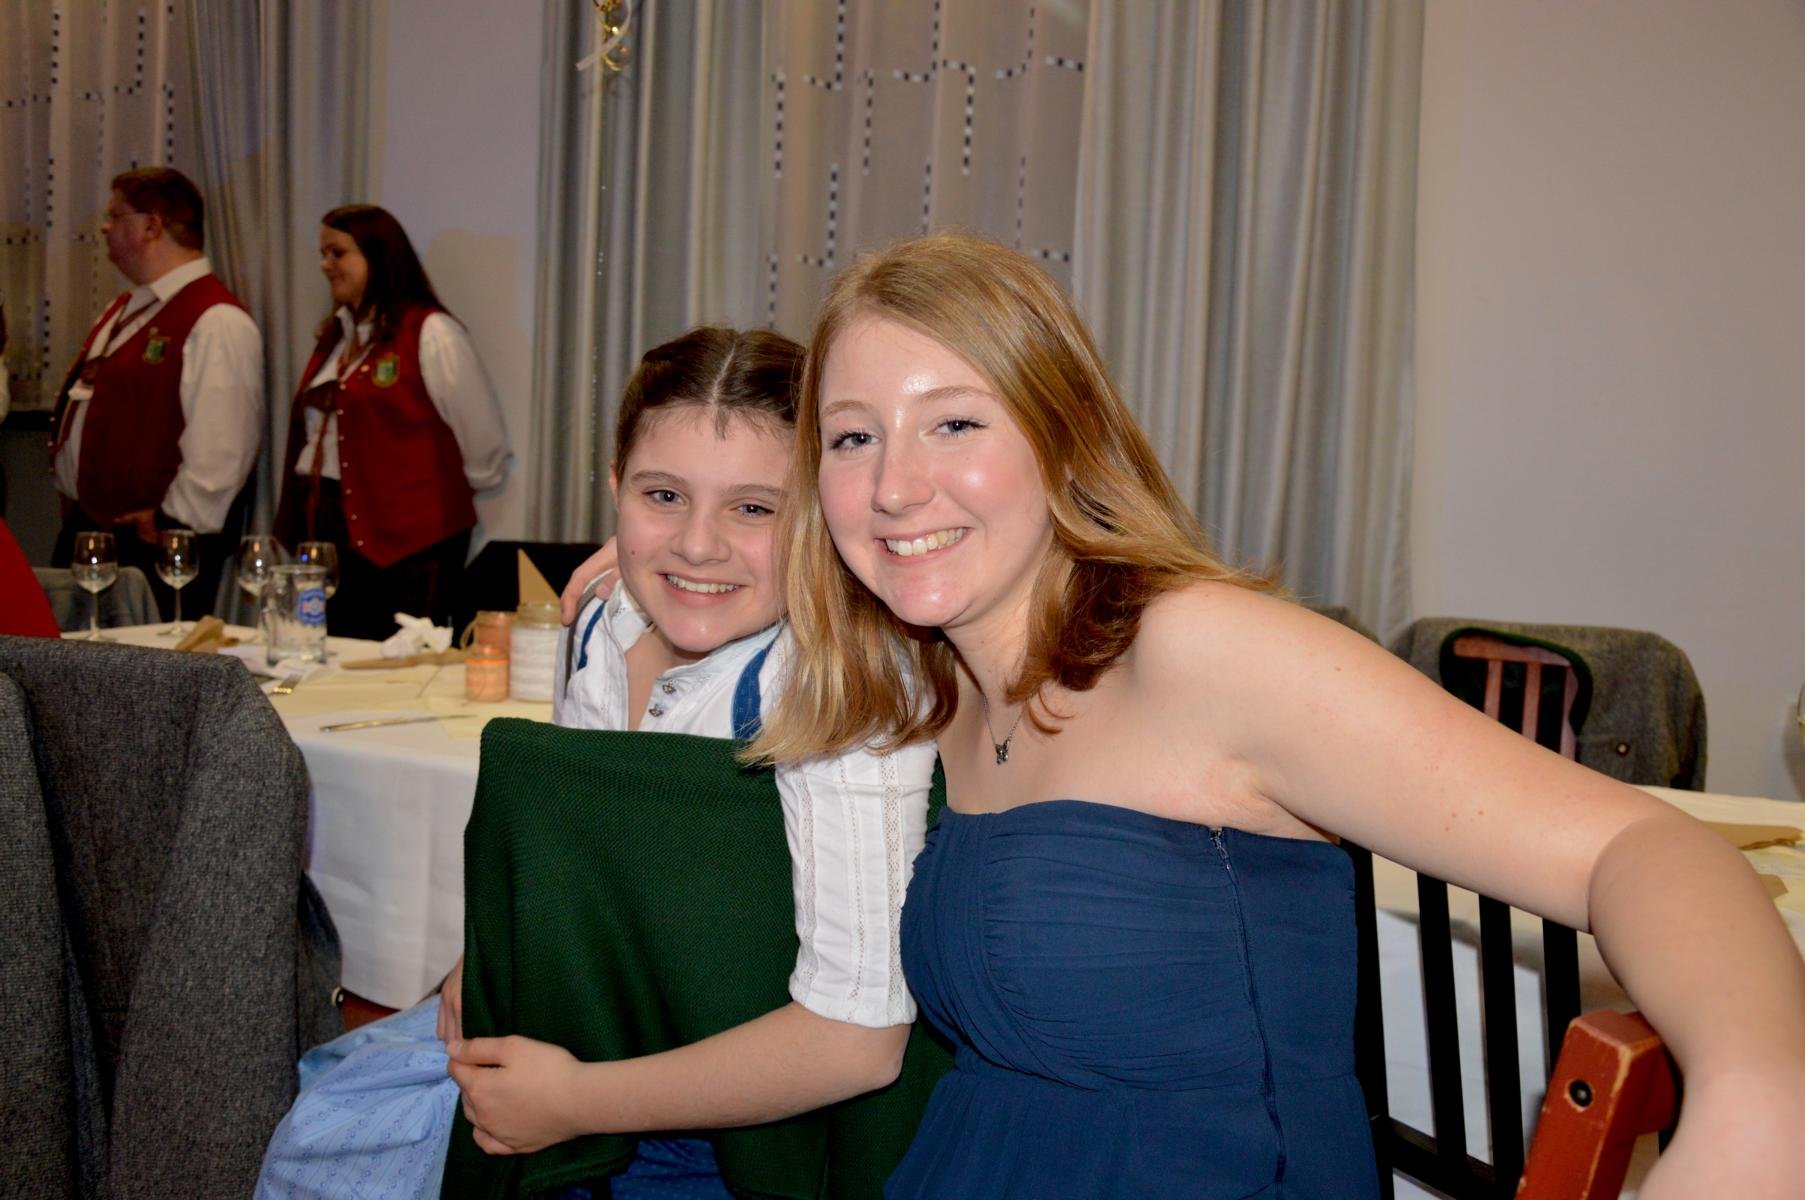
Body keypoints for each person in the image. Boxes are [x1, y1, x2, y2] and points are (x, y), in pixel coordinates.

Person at [732, 231, 1802, 1198]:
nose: (894, 486)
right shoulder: (943, 689)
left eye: (954, 422)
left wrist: (1756, 1101)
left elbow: (1636, 845)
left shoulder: (1195, 650)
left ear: (1063, 437)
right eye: (852, 439)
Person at [257, 327, 935, 1198]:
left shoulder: (837, 693)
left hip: (746, 1120)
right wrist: (484, 959)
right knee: (317, 1121)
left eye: (754, 509)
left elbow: (859, 1042)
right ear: (614, 488)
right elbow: (572, 870)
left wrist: (573, 1102)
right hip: (596, 1028)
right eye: (664, 496)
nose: (698, 545)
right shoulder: (598, 625)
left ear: (820, 511)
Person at [273, 205, 510, 640]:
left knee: (399, 661)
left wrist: (425, 501)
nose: (325, 265)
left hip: (411, 546)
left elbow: (483, 441)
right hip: (333, 534)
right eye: (323, 254)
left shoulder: (431, 332)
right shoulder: (338, 336)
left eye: (338, 253)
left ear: (378, 256)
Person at [48, 167, 263, 620]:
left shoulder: (216, 320)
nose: (104, 227)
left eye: (115, 216)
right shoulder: (128, 307)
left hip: (152, 546)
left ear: (152, 225)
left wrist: (172, 522)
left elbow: (222, 446)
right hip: (96, 530)